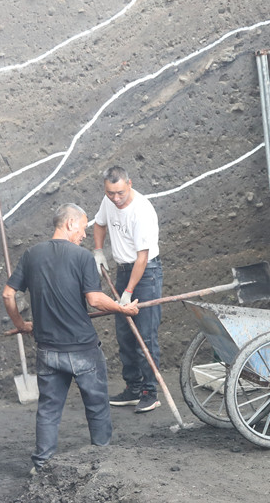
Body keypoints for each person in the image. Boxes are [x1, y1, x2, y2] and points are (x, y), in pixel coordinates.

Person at [2, 203, 139, 473]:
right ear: (70, 223)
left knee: (48, 409)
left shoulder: (31, 255)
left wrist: (21, 324)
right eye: (83, 228)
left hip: (47, 350)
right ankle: (102, 463)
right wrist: (122, 309)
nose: (85, 234)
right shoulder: (82, 257)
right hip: (82, 348)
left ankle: (41, 465)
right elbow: (95, 299)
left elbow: (8, 294)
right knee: (97, 407)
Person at [92, 166, 163, 413]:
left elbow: (142, 258)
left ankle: (150, 392)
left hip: (146, 274)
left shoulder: (141, 211)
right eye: (110, 193)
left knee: (145, 335)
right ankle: (133, 388)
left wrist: (129, 292)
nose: (115, 198)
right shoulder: (109, 201)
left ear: (129, 184)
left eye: (120, 193)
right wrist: (98, 251)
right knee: (124, 335)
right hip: (123, 271)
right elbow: (99, 224)